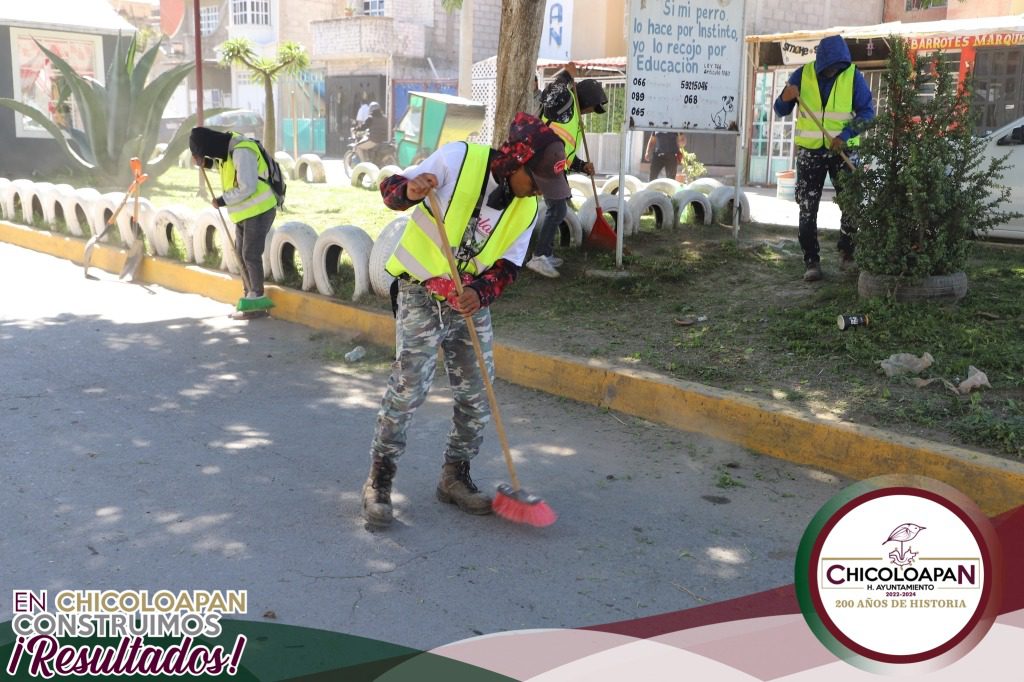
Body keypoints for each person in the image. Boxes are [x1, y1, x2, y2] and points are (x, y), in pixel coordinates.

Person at [362, 112, 571, 528]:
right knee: (408, 390)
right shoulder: (459, 158)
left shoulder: (526, 209)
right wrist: (411, 189)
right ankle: (379, 483)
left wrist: (481, 292)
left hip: (469, 303)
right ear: (515, 162)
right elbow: (390, 192)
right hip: (422, 294)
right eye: (536, 181)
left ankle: (454, 477)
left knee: (477, 393)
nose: (536, 195)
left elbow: (511, 264)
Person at [774, 34, 875, 282]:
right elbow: (780, 109)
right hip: (811, 153)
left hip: (843, 151)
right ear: (820, 62)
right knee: (807, 208)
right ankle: (811, 261)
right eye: (829, 67)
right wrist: (785, 98)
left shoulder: (852, 76)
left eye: (837, 67)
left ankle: (847, 253)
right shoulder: (802, 75)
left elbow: (868, 113)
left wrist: (846, 134)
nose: (833, 71)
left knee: (850, 204)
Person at [525, 67, 608, 278]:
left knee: (558, 210)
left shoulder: (574, 119)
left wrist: (581, 166)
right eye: (592, 107)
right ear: (587, 100)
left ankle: (545, 253)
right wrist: (566, 74)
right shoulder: (565, 101)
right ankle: (539, 256)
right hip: (542, 159)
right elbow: (550, 90)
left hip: (553, 164)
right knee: (557, 209)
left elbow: (567, 153)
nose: (590, 111)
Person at [189, 126, 277, 320]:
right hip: (244, 211)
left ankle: (257, 303)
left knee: (250, 254)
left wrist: (222, 200)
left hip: (259, 209)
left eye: (205, 153)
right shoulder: (226, 148)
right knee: (241, 256)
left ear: (211, 145)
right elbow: (227, 166)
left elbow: (248, 186)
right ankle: (249, 298)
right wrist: (205, 162)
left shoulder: (242, 151)